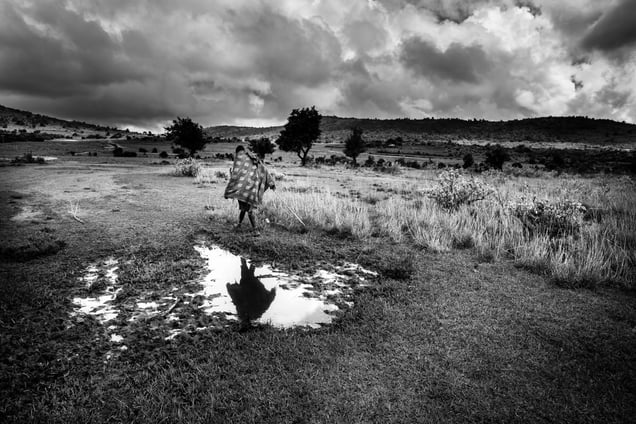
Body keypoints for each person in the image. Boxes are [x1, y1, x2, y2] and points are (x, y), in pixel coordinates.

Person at [224, 145, 275, 231]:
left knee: (249, 210)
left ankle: (255, 230)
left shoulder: (241, 160)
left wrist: (230, 190)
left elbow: (235, 177)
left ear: (238, 152)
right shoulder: (252, 159)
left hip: (243, 190)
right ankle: (239, 224)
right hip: (251, 189)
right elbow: (264, 170)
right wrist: (271, 183)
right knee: (244, 209)